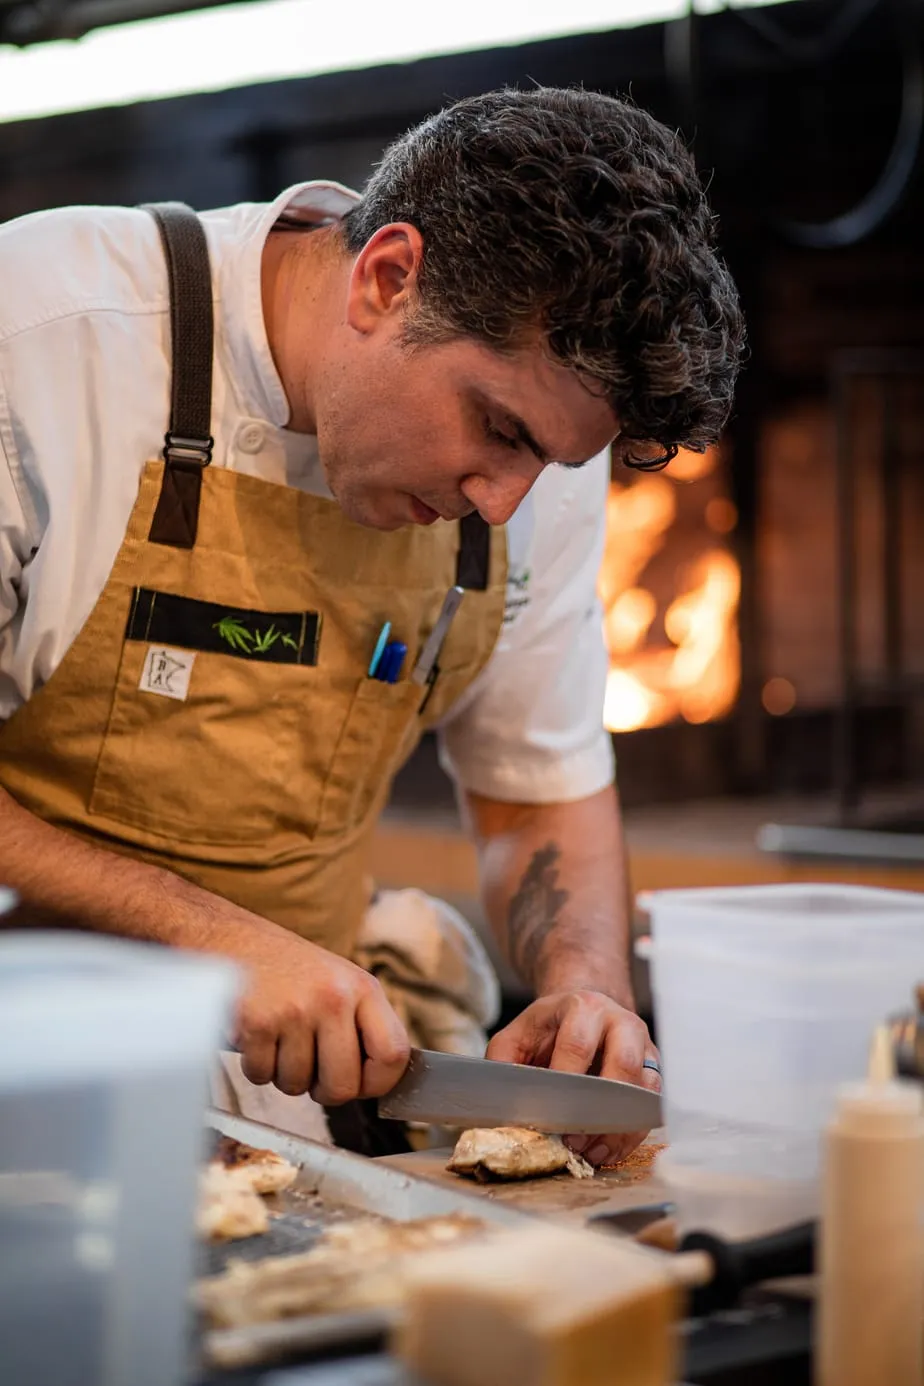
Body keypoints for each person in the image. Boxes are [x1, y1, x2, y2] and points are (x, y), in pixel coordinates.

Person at [0, 86, 744, 1165]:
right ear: (387, 279)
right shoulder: (42, 339)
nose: (503, 501)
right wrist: (210, 940)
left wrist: (585, 992)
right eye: (496, 430)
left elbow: (538, 794)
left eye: (549, 462)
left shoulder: (538, 468)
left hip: (270, 1096)